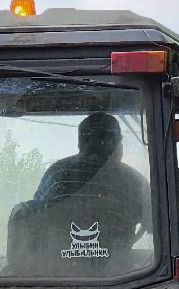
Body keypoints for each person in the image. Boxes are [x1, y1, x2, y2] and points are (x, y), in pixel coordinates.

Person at [9, 112, 150, 272]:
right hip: (117, 275)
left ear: (81, 142)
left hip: (56, 271)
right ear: (113, 142)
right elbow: (155, 227)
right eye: (120, 142)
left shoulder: (56, 173)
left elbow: (36, 215)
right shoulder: (134, 181)